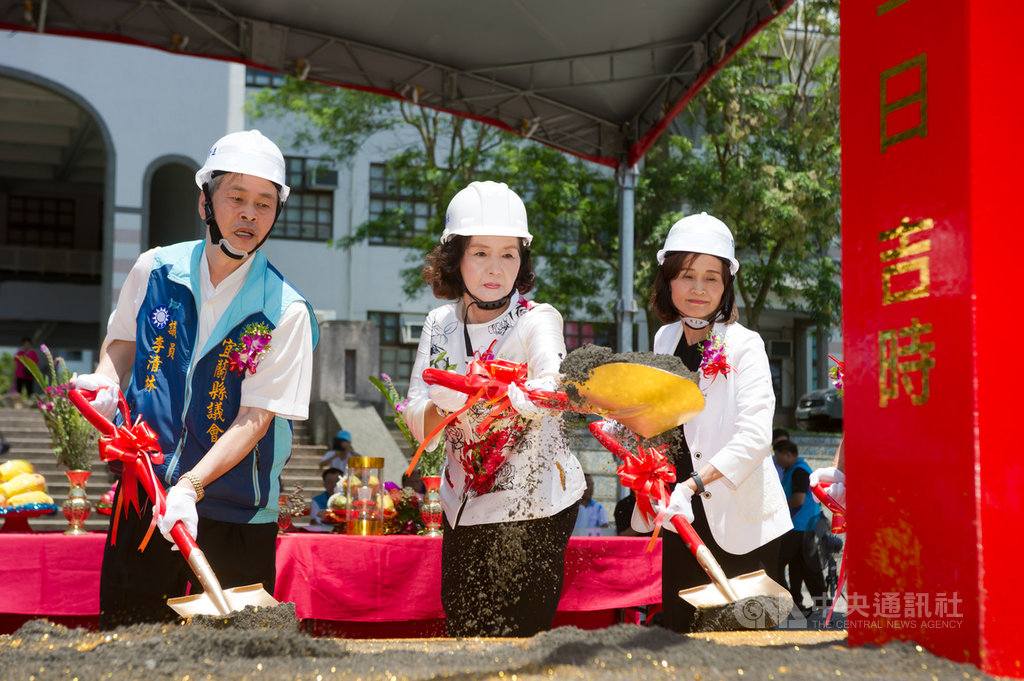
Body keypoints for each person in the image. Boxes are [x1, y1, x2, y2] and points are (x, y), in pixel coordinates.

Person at [74, 130, 318, 628]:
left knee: (235, 659)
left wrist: (189, 486)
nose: (250, 214)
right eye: (237, 197)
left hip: (235, 515)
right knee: (128, 642)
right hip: (143, 500)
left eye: (264, 204)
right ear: (204, 200)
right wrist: (105, 379)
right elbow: (121, 341)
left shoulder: (286, 311)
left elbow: (255, 419)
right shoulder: (154, 269)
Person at [404, 181, 585, 637]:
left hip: (537, 504)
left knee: (521, 634)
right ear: (455, 257)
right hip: (462, 503)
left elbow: (551, 381)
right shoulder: (440, 324)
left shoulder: (537, 318)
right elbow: (415, 413)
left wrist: (517, 393)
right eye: (480, 252)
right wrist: (443, 407)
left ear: (523, 259)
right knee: (465, 625)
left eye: (509, 254)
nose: (495, 268)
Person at [630, 212, 791, 633]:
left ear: (726, 285)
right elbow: (665, 420)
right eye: (686, 275)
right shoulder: (664, 338)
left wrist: (692, 485)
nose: (698, 289)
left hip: (739, 522)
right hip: (680, 519)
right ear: (668, 281)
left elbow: (756, 437)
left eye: (711, 278)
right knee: (681, 638)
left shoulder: (745, 345)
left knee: (740, 645)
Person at [772, 438, 827, 617]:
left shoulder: (800, 471)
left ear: (788, 455)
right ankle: (812, 604)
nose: (776, 459)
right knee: (806, 566)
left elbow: (798, 500)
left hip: (801, 527)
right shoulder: (793, 470)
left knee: (776, 562)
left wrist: (777, 508)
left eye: (778, 455)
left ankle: (792, 604)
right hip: (802, 526)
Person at [309, 467, 343, 532]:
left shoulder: (349, 501)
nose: (333, 485)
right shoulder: (317, 500)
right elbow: (314, 522)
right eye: (329, 482)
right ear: (324, 484)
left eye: (336, 482)